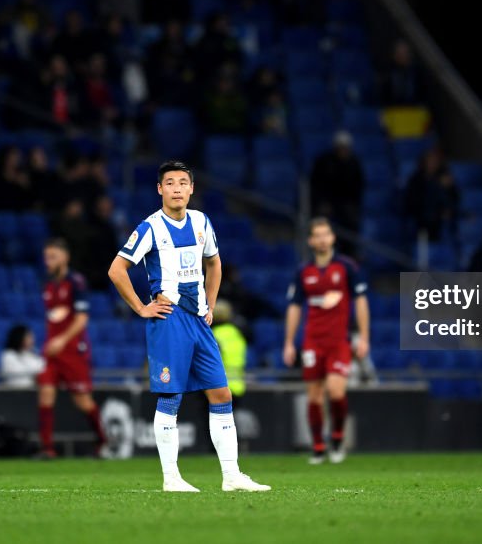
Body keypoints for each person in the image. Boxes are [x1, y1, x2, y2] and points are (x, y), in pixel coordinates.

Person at [107, 160, 269, 492]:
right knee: (171, 396)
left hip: (198, 320)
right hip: (169, 320)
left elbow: (214, 263)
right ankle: (171, 478)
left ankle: (232, 476)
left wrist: (209, 303)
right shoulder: (150, 227)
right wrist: (141, 307)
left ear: (192, 188)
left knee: (221, 392)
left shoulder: (201, 222)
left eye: (183, 182)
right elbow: (116, 270)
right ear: (160, 190)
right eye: (170, 183)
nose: (177, 188)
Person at [283, 218, 370, 464]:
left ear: (332, 238)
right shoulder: (303, 271)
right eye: (317, 235)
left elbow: (361, 302)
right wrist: (289, 342)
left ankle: (338, 437)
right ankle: (318, 447)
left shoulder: (346, 267)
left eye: (326, 234)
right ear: (311, 240)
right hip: (312, 341)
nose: (322, 239)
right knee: (314, 396)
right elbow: (294, 307)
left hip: (338, 342)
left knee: (335, 390)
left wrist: (364, 337)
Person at [37, 239, 106, 458]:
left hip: (73, 350)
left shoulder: (76, 282)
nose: (48, 261)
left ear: (65, 257)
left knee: (83, 401)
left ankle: (102, 441)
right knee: (45, 393)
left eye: (53, 257)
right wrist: (52, 342)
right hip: (52, 352)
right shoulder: (47, 284)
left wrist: (61, 340)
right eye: (46, 257)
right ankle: (47, 448)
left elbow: (81, 319)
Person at [309, 131, 364, 255]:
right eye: (340, 147)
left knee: (350, 221)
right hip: (327, 203)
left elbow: (358, 187)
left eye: (345, 147)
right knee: (322, 222)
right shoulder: (324, 162)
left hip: (346, 205)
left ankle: (350, 254)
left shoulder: (353, 163)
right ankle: (324, 253)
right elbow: (316, 185)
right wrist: (323, 202)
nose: (343, 150)